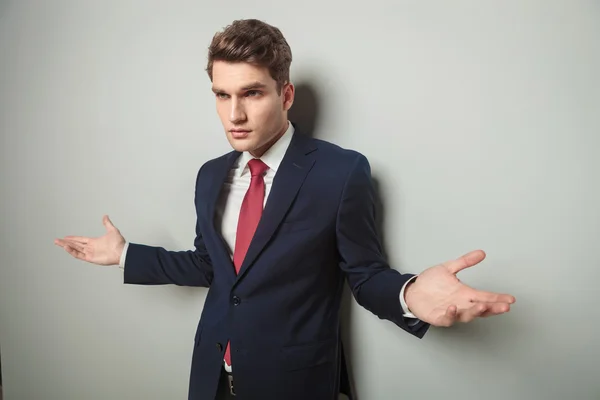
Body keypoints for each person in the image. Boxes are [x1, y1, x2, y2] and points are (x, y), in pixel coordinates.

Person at [54, 18, 516, 400]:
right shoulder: (210, 175)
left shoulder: (340, 172)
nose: (234, 115)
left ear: (286, 95)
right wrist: (125, 254)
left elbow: (366, 274)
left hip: (294, 383)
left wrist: (410, 294)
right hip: (211, 377)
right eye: (221, 95)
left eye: (251, 93)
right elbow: (211, 266)